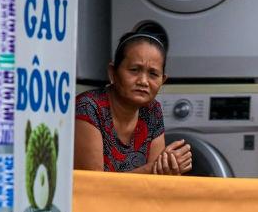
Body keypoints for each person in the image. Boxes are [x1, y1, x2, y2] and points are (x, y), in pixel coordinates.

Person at [74, 22, 192, 175]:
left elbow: (155, 183)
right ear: (112, 73)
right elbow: (94, 186)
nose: (143, 81)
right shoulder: (88, 107)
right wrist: (153, 169)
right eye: (134, 70)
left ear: (162, 81)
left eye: (153, 74)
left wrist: (168, 166)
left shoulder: (152, 111)